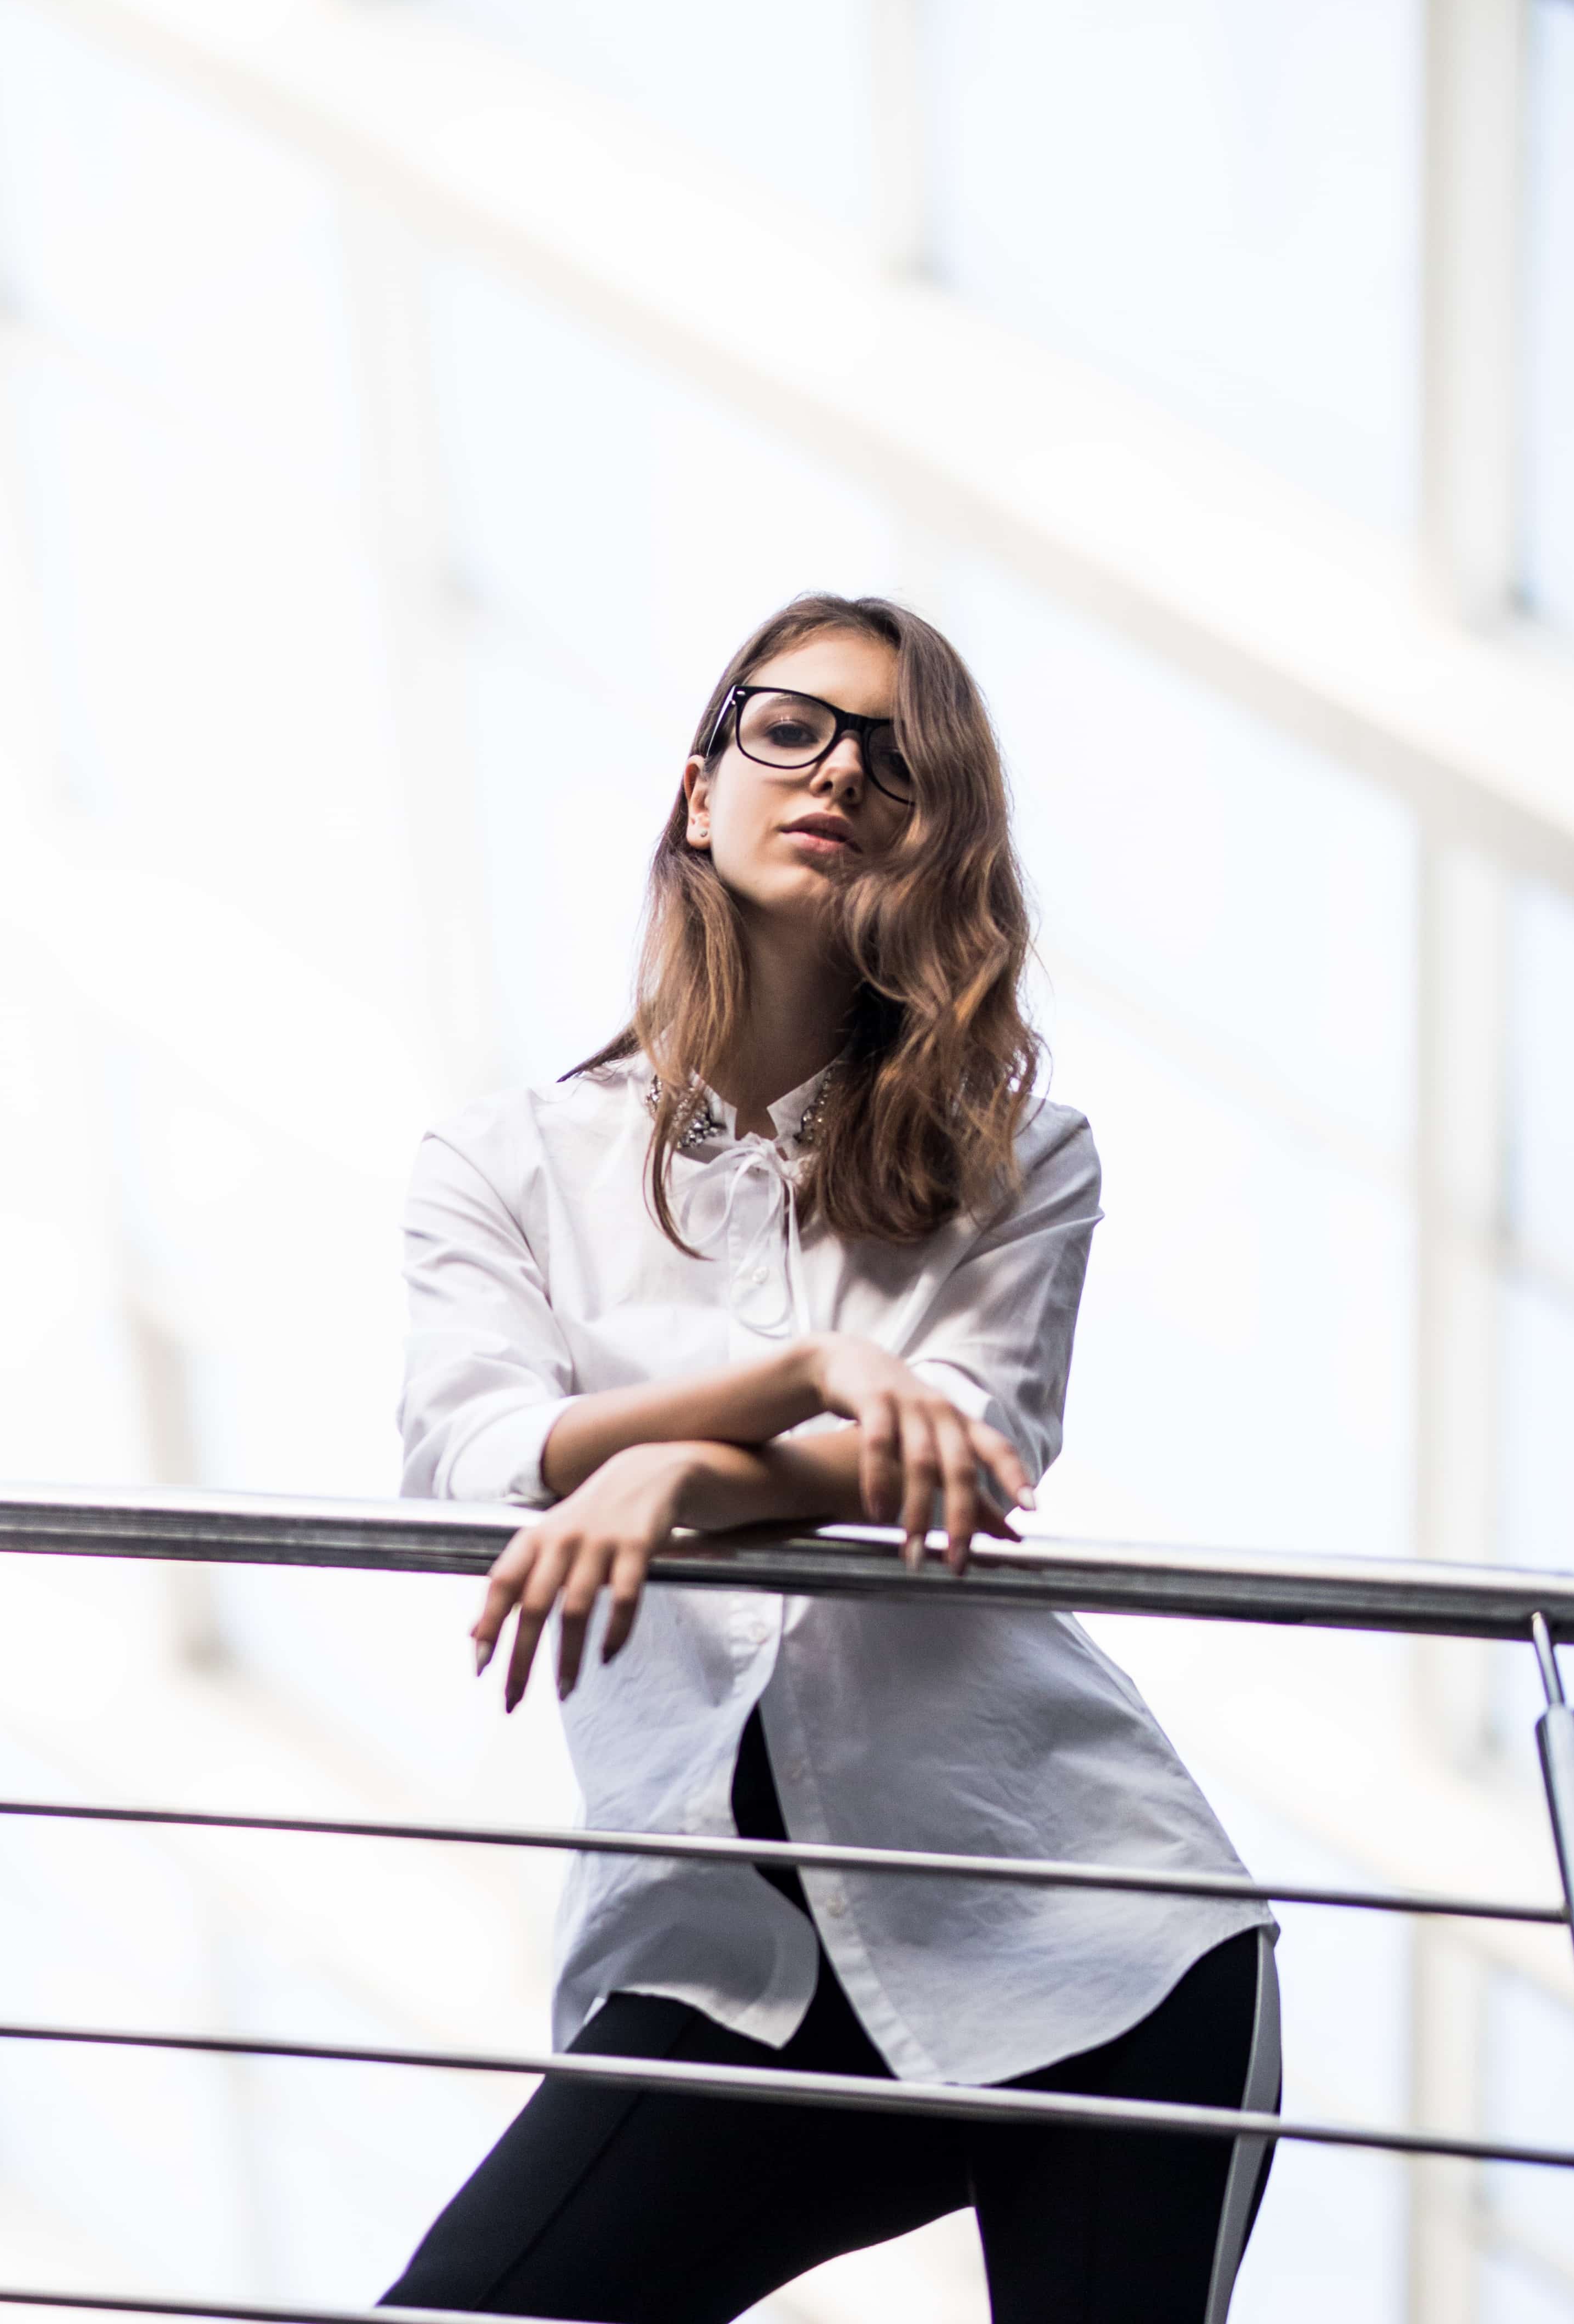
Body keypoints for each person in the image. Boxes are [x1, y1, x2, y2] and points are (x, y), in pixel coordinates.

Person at [383, 595, 1277, 2324]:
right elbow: (480, 1453)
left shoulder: (1020, 1153)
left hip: (1095, 1922)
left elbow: (964, 1449)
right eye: (794, 726)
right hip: (725, 1962)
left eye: (900, 758)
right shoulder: (507, 1162)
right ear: (699, 782)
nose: (844, 774)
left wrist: (677, 1479)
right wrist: (793, 1372)